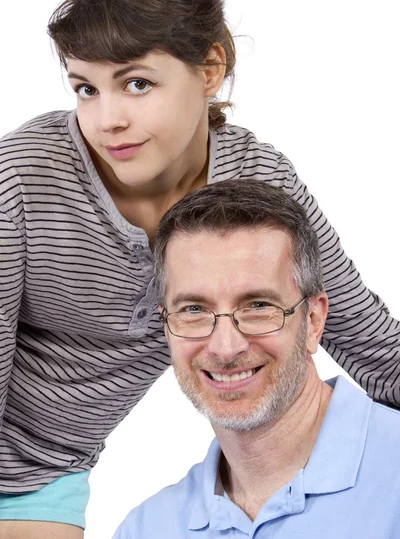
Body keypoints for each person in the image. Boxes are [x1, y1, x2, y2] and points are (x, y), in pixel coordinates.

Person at [0, 0, 398, 539]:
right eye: (85, 89)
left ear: (209, 69)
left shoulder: (260, 182)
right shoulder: (22, 179)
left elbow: (370, 346)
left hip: (42, 476)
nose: (106, 119)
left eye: (136, 84)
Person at [113, 179, 400, 538]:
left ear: (313, 321)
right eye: (193, 309)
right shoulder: (147, 529)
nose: (225, 347)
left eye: (258, 306)